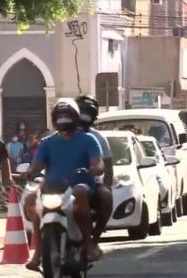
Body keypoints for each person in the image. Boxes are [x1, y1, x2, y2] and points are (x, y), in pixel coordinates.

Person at [24, 98, 104, 270]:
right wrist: (29, 172)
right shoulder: (47, 143)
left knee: (81, 194)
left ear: (75, 117)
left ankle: (89, 244)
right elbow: (36, 166)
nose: (63, 120)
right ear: (54, 119)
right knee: (31, 200)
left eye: (67, 116)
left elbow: (97, 163)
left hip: (79, 185)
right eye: (60, 116)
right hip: (52, 189)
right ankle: (38, 251)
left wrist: (94, 168)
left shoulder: (89, 139)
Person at [75, 95, 114, 259]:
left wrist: (107, 186)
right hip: (61, 185)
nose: (84, 117)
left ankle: (94, 240)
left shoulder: (97, 138)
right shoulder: (57, 137)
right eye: (81, 112)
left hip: (89, 185)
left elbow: (107, 167)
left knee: (106, 197)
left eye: (88, 114)